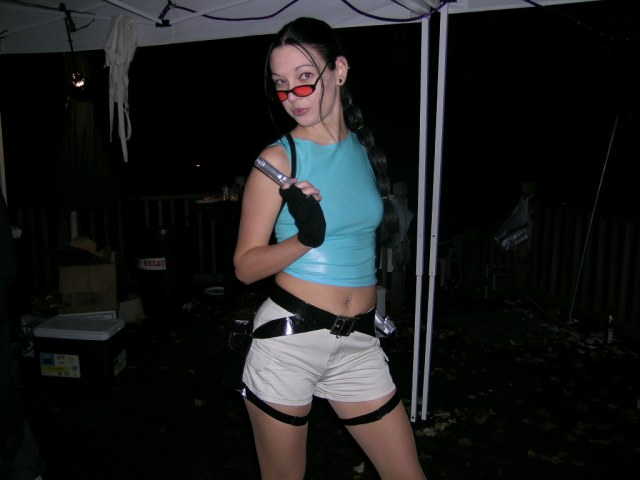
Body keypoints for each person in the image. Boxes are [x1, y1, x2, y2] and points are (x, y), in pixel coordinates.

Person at [233, 17, 427, 480]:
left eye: (305, 77)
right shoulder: (278, 161)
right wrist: (305, 237)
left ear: (339, 70)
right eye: (281, 84)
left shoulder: (363, 150)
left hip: (358, 343)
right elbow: (245, 267)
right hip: (289, 343)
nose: (292, 96)